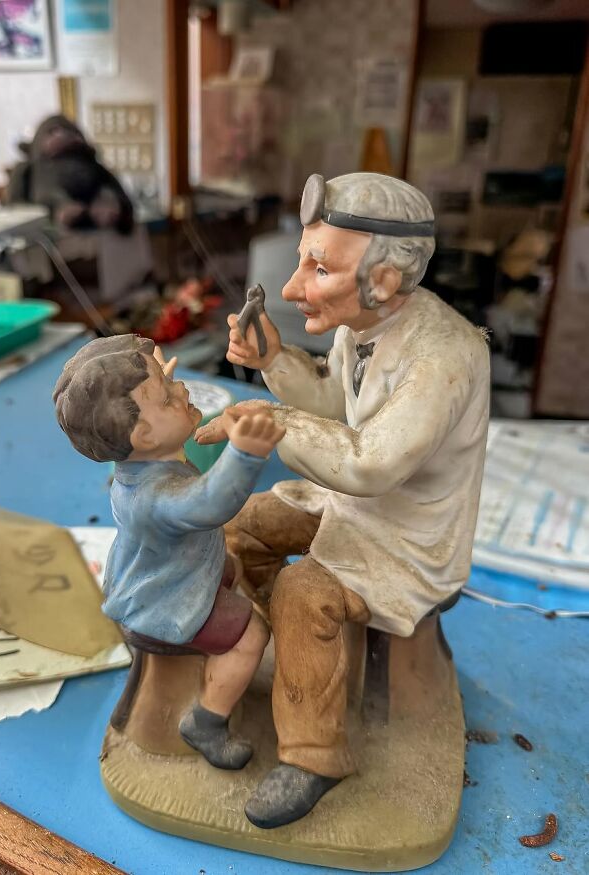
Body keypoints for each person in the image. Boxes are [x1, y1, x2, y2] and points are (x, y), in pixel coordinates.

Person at [196, 172, 490, 828]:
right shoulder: (364, 321)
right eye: (304, 259)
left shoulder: (443, 356)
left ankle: (313, 754)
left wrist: (272, 423)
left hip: (406, 533)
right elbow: (338, 399)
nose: (296, 285)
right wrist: (276, 358)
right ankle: (263, 648)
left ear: (385, 280)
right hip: (351, 499)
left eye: (318, 267)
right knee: (244, 526)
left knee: (306, 593)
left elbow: (372, 462)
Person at [53, 335, 284, 770]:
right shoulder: (156, 496)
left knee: (231, 567)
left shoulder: (142, 466)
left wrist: (155, 383)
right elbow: (210, 503)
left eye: (169, 379)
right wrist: (245, 455)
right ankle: (207, 721)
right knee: (252, 634)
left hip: (173, 576)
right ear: (142, 434)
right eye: (166, 395)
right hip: (166, 603)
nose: (182, 390)